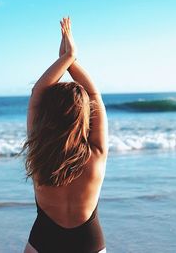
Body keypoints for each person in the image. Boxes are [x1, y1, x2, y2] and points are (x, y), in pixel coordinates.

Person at [22, 17, 108, 253]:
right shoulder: (97, 152)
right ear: (84, 116)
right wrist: (72, 60)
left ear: (47, 116)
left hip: (44, 238)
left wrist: (66, 58)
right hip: (88, 241)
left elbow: (37, 91)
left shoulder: (39, 152)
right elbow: (94, 94)